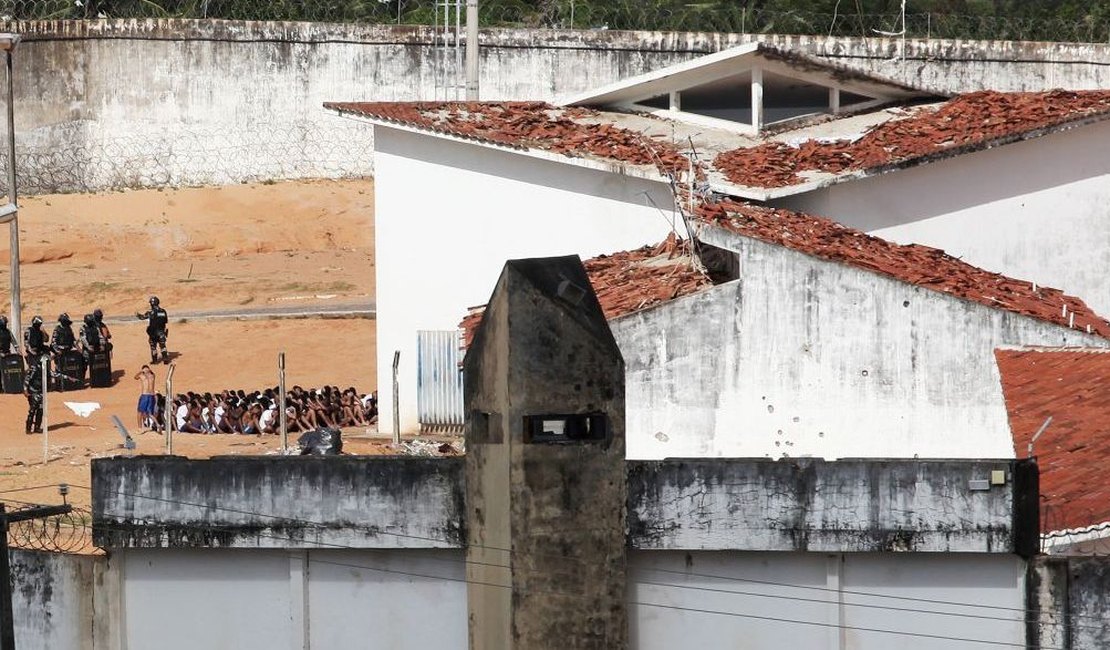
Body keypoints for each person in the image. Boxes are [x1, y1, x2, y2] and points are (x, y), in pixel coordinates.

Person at [136, 296, 169, 364]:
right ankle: (165, 359)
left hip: (153, 333)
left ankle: (155, 360)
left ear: (152, 304)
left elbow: (142, 317)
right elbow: (165, 321)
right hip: (161, 332)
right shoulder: (163, 311)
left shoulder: (150, 312)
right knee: (162, 345)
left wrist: (137, 315)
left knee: (153, 346)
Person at [134, 365, 156, 432]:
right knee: (142, 411)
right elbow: (135, 377)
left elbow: (151, 374)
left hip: (149, 395)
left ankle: (144, 427)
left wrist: (147, 371)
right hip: (147, 395)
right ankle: (141, 427)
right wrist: (141, 371)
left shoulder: (152, 375)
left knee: (147, 412)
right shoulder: (142, 376)